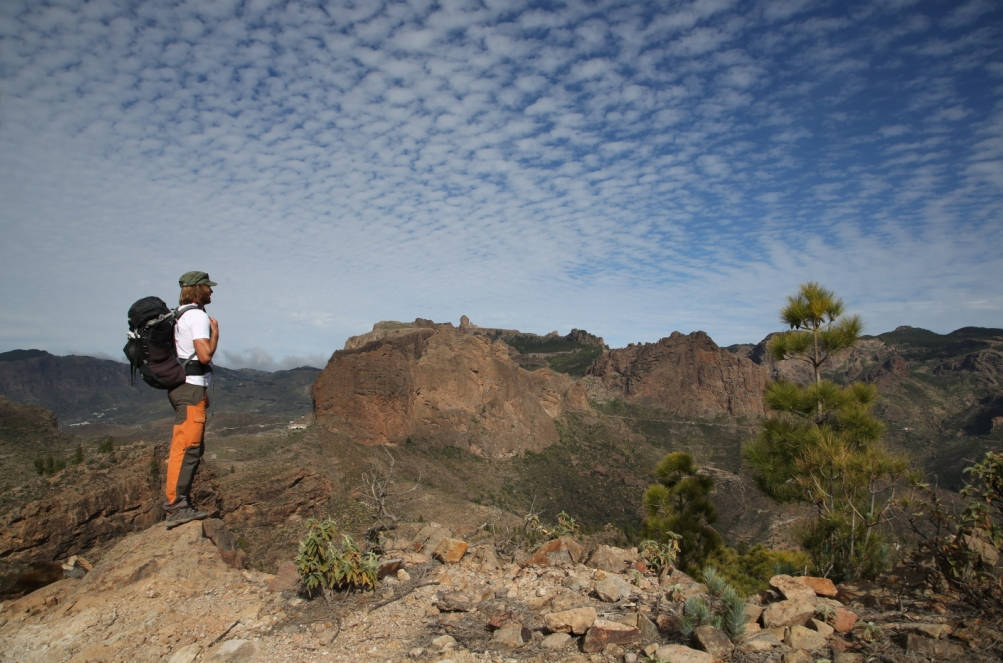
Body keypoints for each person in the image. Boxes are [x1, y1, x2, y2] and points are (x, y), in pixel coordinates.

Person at [164, 270, 220, 529]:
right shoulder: (197, 316)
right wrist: (215, 334)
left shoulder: (180, 314)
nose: (211, 291)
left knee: (188, 446)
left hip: (184, 388)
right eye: (208, 287)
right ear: (198, 288)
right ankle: (176, 506)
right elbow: (205, 355)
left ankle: (178, 502)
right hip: (191, 389)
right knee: (188, 447)